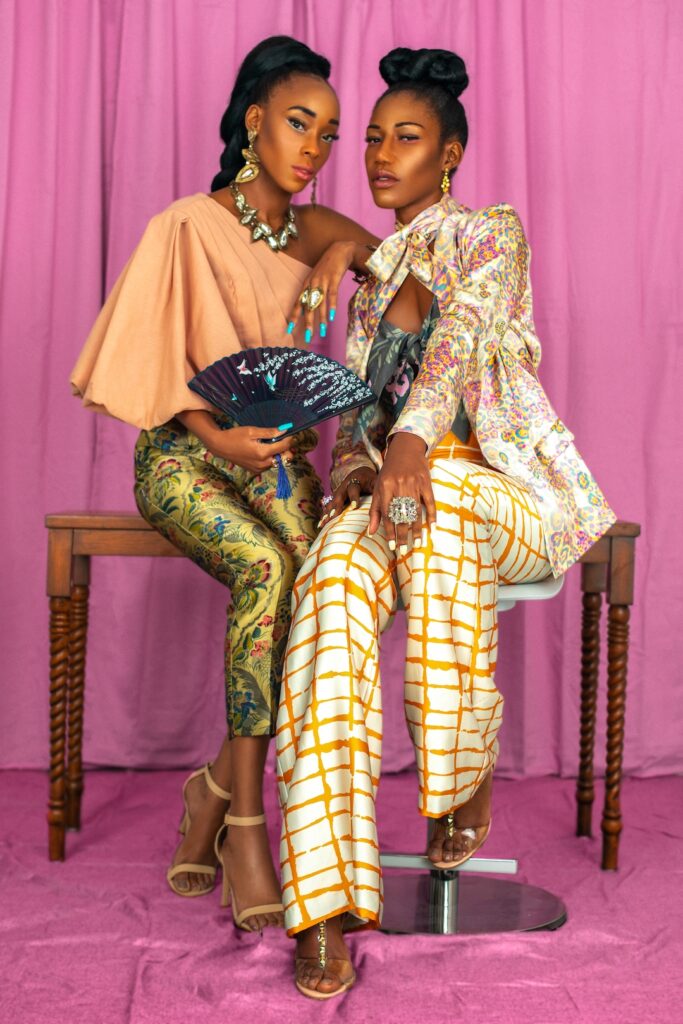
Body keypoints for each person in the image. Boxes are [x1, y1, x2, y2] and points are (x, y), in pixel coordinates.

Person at [276, 46, 616, 998]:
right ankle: (326, 899)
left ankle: (456, 772)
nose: (381, 155)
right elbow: (354, 417)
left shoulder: (489, 236)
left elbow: (462, 342)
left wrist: (412, 447)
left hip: (491, 485)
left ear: (451, 154)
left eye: (407, 138)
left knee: (442, 503)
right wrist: (355, 464)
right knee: (331, 588)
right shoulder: (373, 283)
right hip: (395, 494)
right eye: (374, 139)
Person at [71, 35, 378, 933]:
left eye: (326, 132)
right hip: (184, 451)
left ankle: (212, 786)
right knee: (267, 571)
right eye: (296, 122)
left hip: (278, 455)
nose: (314, 147)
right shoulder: (184, 224)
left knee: (318, 585)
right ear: (253, 122)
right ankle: (247, 823)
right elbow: (150, 370)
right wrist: (217, 436)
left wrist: (338, 253)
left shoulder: (314, 226)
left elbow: (388, 265)